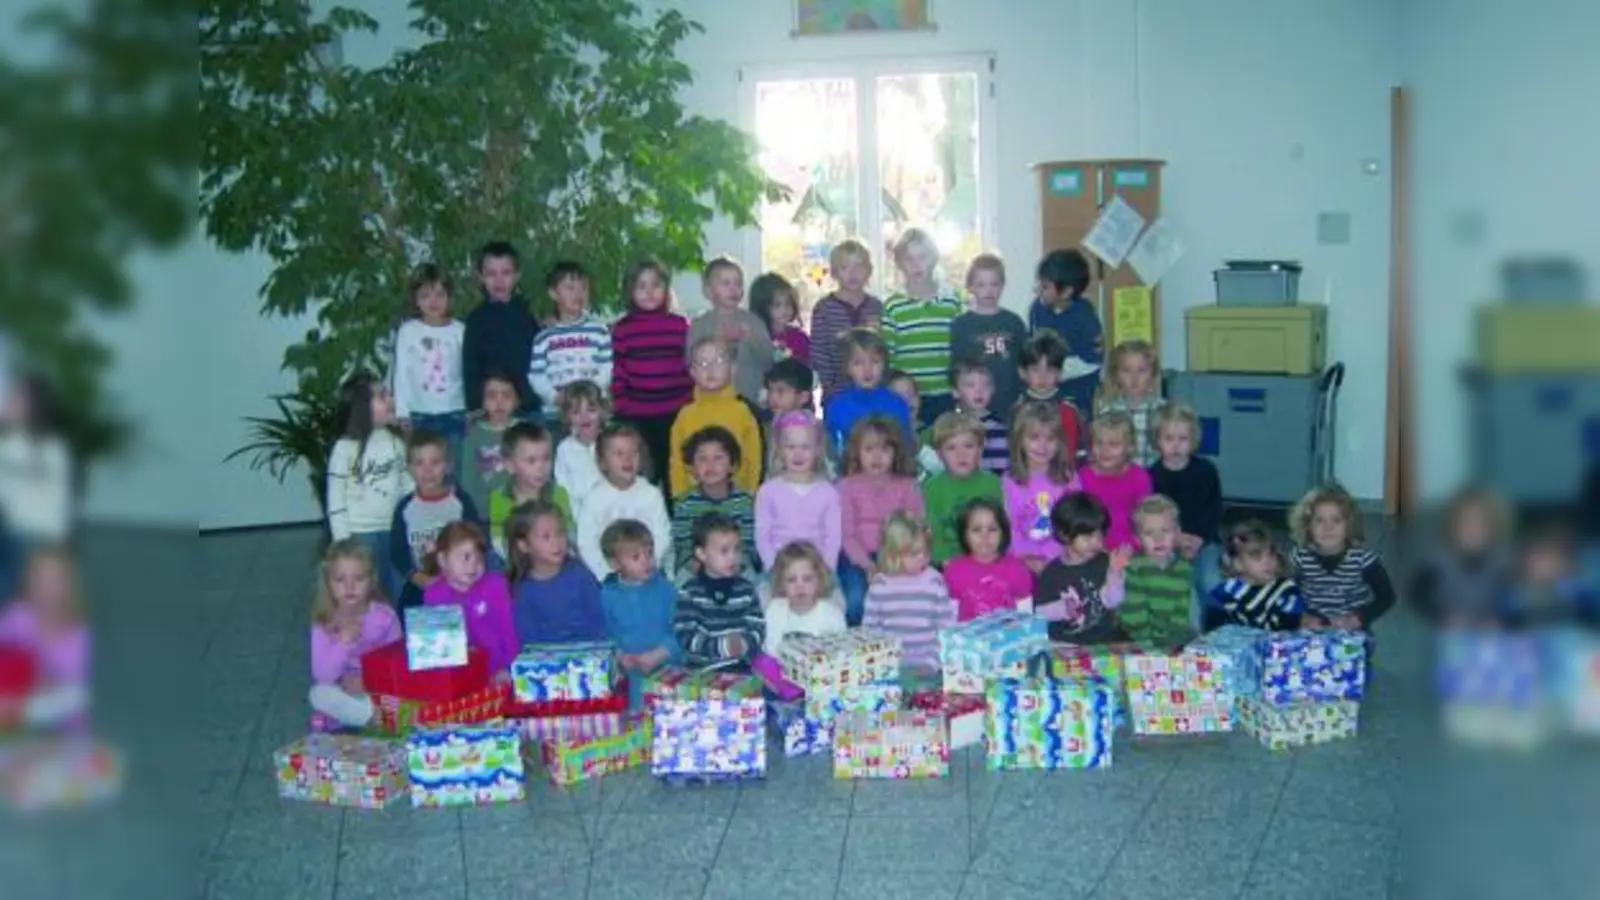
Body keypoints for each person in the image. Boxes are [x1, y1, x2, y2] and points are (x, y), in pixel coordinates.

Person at [326, 371, 410, 601]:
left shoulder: (395, 442)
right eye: (383, 397)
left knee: (397, 587)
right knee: (366, 594)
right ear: (362, 408)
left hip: (392, 529)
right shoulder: (344, 448)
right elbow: (335, 498)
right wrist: (343, 542)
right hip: (358, 534)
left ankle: (395, 632)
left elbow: (406, 483)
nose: (391, 400)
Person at [611, 258, 693, 491]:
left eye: (655, 285)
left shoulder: (679, 325)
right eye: (641, 286)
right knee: (642, 478)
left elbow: (689, 366)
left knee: (675, 476)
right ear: (630, 291)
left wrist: (689, 402)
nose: (649, 292)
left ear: (666, 289)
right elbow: (619, 371)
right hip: (638, 416)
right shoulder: (623, 328)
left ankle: (672, 524)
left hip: (676, 413)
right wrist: (622, 407)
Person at [836, 415, 924, 626]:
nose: (877, 457)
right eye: (869, 450)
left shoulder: (907, 486)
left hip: (898, 554)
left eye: (884, 450)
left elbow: (915, 528)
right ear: (856, 453)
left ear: (896, 452)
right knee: (856, 600)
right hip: (856, 557)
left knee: (907, 598)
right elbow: (846, 535)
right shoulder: (846, 486)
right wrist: (868, 566)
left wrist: (892, 561)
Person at [306, 539, 401, 729]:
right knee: (318, 693)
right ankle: (370, 718)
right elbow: (323, 675)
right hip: (341, 686)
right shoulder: (323, 622)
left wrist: (368, 680)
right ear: (328, 583)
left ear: (371, 581)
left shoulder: (384, 617)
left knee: (404, 694)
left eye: (358, 579)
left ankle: (349, 717)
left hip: (376, 686)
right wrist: (344, 642)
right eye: (340, 580)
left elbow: (397, 662)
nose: (350, 588)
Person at [0, 546, 90, 731]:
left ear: (70, 588)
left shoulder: (80, 638)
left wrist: (28, 698)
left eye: (55, 581)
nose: (46, 589)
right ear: (28, 583)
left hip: (63, 733)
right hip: (13, 728)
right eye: (39, 579)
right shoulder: (15, 618)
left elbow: (76, 696)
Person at [390, 431, 480, 613]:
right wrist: (417, 577)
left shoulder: (461, 502)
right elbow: (398, 550)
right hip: (421, 584)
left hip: (460, 583)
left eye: (435, 462)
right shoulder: (405, 507)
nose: (428, 470)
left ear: (447, 466)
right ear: (409, 468)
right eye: (419, 463)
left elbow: (476, 540)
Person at [391, 263, 467, 475]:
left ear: (449, 297)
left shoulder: (460, 331)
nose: (433, 301)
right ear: (416, 300)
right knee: (424, 474)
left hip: (454, 413)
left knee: (453, 472)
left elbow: (466, 373)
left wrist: (470, 410)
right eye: (425, 295)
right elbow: (402, 373)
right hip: (419, 415)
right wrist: (402, 413)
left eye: (439, 294)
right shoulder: (408, 331)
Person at [599, 519, 684, 709]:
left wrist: (661, 653)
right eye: (636, 557)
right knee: (638, 720)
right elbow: (607, 635)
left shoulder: (666, 589)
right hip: (633, 678)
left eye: (649, 553)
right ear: (614, 564)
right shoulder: (607, 596)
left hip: (670, 670)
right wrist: (620, 657)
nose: (646, 561)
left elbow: (682, 629)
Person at [882, 228, 962, 427]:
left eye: (922, 257)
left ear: (933, 259)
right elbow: (887, 357)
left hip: (944, 393)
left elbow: (960, 348)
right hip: (905, 397)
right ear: (900, 264)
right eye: (909, 259)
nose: (916, 265)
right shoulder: (893, 305)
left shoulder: (951, 301)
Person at [1289, 484, 1397, 629]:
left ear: (1349, 524)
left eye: (1336, 520)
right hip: (1312, 629)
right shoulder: (1300, 557)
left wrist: (1358, 618)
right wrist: (1301, 617)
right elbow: (1285, 593)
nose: (1328, 528)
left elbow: (1386, 596)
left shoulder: (1363, 559)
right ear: (1307, 526)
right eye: (1320, 520)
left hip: (1352, 631)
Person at [1147, 402, 1223, 602]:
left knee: (1211, 583)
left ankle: (1215, 627)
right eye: (1169, 439)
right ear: (1157, 441)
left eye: (1183, 439)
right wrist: (1176, 539)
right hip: (1166, 544)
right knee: (1179, 588)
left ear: (1193, 440)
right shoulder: (1151, 476)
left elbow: (1213, 510)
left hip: (1205, 542)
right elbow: (1152, 517)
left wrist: (1200, 538)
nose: (1176, 445)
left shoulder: (1206, 471)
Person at [421, 521, 517, 678]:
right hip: (458, 677)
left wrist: (508, 667)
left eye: (479, 559)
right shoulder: (434, 594)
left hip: (498, 671)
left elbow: (508, 631)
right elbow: (434, 649)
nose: (473, 565)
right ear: (443, 560)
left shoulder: (495, 586)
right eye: (465, 558)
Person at [576, 422, 672, 580]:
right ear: (602, 462)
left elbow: (662, 535)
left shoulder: (651, 494)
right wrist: (606, 573)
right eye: (619, 454)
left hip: (648, 570)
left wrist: (648, 564)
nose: (627, 459)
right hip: (608, 577)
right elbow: (586, 543)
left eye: (633, 452)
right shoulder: (594, 498)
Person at [861, 511, 954, 673]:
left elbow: (946, 627)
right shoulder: (880, 586)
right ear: (893, 554)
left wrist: (933, 661)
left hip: (929, 663)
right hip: (889, 665)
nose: (922, 557)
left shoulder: (934, 581)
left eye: (925, 552)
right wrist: (882, 662)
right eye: (914, 553)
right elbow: (870, 631)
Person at [669, 337, 762, 498]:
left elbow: (753, 458)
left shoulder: (742, 412)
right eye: (703, 364)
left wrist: (749, 493)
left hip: (736, 500)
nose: (710, 369)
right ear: (692, 372)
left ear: (733, 368)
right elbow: (677, 462)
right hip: (694, 501)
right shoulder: (685, 415)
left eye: (718, 361)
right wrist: (680, 496)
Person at [1408, 486, 1514, 626]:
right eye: (1465, 525)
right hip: (1450, 630)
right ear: (1452, 526)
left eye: (1479, 526)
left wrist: (1500, 618)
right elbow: (1418, 597)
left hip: (1490, 633)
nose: (1472, 532)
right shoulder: (1437, 561)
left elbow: (1514, 597)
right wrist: (1441, 615)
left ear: (1493, 529)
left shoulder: (1503, 561)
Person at [505, 500, 606, 644]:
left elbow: (598, 622)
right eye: (546, 537)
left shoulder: (579, 573)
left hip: (590, 654)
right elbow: (529, 641)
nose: (557, 542)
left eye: (560, 533)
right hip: (547, 661)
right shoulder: (522, 590)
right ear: (524, 545)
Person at [1034, 492, 1129, 643]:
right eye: (1087, 537)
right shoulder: (1052, 573)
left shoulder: (1103, 561)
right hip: (1067, 643)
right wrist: (1064, 608)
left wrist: (1115, 572)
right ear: (1065, 534)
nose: (1096, 543)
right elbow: (1040, 612)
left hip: (1105, 637)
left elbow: (1113, 600)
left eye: (1100, 536)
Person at [675, 513, 764, 672]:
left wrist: (745, 643)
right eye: (724, 551)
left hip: (743, 669)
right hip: (702, 671)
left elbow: (757, 626)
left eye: (736, 549)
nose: (733, 557)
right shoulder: (689, 592)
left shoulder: (746, 589)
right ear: (701, 554)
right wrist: (722, 647)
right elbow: (685, 634)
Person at [527, 260, 612, 423]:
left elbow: (607, 367)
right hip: (556, 414)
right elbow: (536, 375)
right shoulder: (544, 337)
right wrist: (554, 396)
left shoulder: (599, 330)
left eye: (583, 288)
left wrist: (591, 394)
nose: (578, 294)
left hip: (592, 412)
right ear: (553, 293)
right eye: (570, 288)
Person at [462, 240, 540, 417]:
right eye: (491, 274)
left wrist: (530, 397)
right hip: (490, 409)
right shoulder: (476, 319)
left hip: (526, 406)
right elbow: (470, 366)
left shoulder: (527, 315)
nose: (499, 280)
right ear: (480, 276)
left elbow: (538, 360)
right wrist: (475, 404)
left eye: (506, 273)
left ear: (517, 275)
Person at [755, 413, 841, 572]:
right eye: (790, 447)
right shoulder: (767, 492)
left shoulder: (828, 492)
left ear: (817, 450)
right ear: (780, 450)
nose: (798, 454)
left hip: (818, 570)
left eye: (805, 447)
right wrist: (773, 568)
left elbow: (833, 539)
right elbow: (763, 537)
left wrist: (827, 570)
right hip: (779, 569)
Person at [1003, 400, 1081, 574]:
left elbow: (1076, 524)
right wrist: (1025, 558)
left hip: (1064, 560)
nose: (1042, 446)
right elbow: (1010, 527)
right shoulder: (1009, 481)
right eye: (1034, 438)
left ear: (1060, 442)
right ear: (1020, 440)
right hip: (1022, 560)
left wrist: (1063, 557)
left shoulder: (1069, 479)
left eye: (1050, 438)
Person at [670, 427, 757, 579]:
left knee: (753, 581)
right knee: (681, 581)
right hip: (698, 564)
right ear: (692, 467)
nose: (710, 465)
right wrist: (700, 565)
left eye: (718, 458)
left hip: (735, 562)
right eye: (702, 459)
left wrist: (732, 563)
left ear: (732, 465)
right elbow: (683, 545)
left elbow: (748, 544)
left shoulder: (744, 502)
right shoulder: (685, 504)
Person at [686, 256, 773, 407]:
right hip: (710, 400)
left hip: (749, 399)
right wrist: (720, 341)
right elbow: (690, 362)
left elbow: (768, 360)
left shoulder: (754, 321)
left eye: (738, 283)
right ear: (708, 291)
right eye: (726, 284)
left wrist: (751, 338)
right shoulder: (699, 325)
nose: (733, 288)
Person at [921, 412, 1003, 565]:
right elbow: (933, 533)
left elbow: (1002, 528)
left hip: (989, 558)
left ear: (980, 449)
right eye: (951, 448)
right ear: (939, 454)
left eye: (968, 446)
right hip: (947, 562)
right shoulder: (931, 488)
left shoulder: (995, 484)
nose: (961, 454)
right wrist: (944, 560)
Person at [951, 253, 1028, 414]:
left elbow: (1026, 361)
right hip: (974, 405)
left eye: (994, 284)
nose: (989, 290)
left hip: (1010, 402)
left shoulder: (1014, 322)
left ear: (1002, 285)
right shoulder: (961, 325)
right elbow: (956, 366)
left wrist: (1023, 393)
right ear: (970, 287)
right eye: (981, 285)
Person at [487, 423, 573, 565]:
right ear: (510, 465)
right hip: (515, 561)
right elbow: (498, 539)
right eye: (531, 461)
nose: (541, 467)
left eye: (546, 459)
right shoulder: (499, 497)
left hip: (554, 557)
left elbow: (568, 532)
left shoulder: (558, 494)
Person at [1029, 248, 1101, 417]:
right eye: (1040, 283)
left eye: (1045, 287)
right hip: (1047, 389)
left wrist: (1057, 372)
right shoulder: (1037, 309)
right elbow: (1034, 347)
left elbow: (1092, 361)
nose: (1038, 289)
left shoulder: (1085, 317)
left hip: (1078, 390)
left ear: (1066, 292)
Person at [1118, 495, 1196, 649]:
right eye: (1149, 533)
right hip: (1138, 641)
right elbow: (1133, 616)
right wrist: (1150, 644)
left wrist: (1173, 641)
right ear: (1138, 539)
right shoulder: (1134, 568)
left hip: (1174, 641)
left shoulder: (1184, 568)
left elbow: (1182, 612)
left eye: (1165, 531)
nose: (1158, 539)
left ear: (1177, 533)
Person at [822, 328, 914, 459]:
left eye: (875, 362)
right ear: (847, 367)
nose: (867, 370)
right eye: (858, 363)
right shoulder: (837, 407)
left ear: (884, 364)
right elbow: (833, 453)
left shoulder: (896, 404)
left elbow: (906, 448)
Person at [810, 239, 883, 403]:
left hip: (874, 391)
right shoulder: (824, 308)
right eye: (845, 267)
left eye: (859, 266)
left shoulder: (876, 307)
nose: (853, 273)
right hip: (837, 395)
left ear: (869, 271)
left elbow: (883, 350)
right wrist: (831, 386)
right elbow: (819, 352)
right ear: (835, 273)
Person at [944, 497, 1033, 621]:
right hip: (968, 638)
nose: (984, 536)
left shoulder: (1017, 569)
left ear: (1003, 532)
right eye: (976, 530)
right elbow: (950, 615)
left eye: (992, 529)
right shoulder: (954, 570)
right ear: (964, 534)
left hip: (1009, 638)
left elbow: (1026, 614)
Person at [1208, 520, 1305, 632]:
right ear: (1237, 563)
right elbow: (1212, 633)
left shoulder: (1286, 592)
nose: (1267, 561)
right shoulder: (1223, 593)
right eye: (1256, 556)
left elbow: (1291, 635)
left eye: (1270, 554)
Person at [1077, 411, 1152, 553]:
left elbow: (1145, 520)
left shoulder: (1139, 478)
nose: (1105, 450)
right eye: (1099, 443)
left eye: (1113, 444)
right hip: (1090, 549)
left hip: (1129, 550)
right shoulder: (1082, 477)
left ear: (1130, 447)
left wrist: (1133, 545)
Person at [763, 541, 847, 658]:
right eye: (791, 580)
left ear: (819, 579)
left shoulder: (832, 615)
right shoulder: (775, 610)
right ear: (781, 583)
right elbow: (771, 651)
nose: (799, 586)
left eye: (807, 579)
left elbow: (841, 655)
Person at [458, 371, 521, 517]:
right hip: (485, 514)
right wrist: (482, 512)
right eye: (492, 396)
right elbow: (468, 483)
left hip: (521, 513)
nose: (499, 403)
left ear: (517, 400)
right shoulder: (473, 437)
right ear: (483, 402)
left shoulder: (525, 431)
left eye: (506, 395)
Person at [1016, 331, 1084, 462]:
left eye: (1050, 370)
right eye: (1035, 370)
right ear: (1022, 372)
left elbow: (1077, 452)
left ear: (1060, 373)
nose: (1043, 377)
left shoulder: (1069, 410)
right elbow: (1014, 454)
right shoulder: (1017, 411)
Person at [1095, 340, 1163, 468]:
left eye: (1142, 370)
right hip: (1120, 479)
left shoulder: (1162, 410)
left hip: (1153, 479)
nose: (1134, 378)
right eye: (1126, 371)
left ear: (1153, 374)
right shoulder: (1107, 411)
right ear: (1116, 375)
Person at [552, 379, 608, 513]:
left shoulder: (610, 442)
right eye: (576, 412)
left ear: (602, 411)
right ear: (567, 416)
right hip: (578, 513)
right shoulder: (564, 449)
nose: (585, 417)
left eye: (591, 410)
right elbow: (562, 487)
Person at [948, 356, 1008, 474]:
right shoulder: (949, 427)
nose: (979, 391)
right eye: (971, 385)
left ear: (993, 390)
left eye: (986, 385)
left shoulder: (1001, 428)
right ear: (955, 392)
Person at [886, 370, 944, 482]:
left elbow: (944, 470)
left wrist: (921, 450)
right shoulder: (883, 437)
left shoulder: (933, 432)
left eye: (911, 395)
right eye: (899, 399)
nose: (907, 401)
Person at [749, 271, 810, 364]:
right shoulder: (755, 339)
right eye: (777, 305)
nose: (784, 310)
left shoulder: (800, 338)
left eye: (788, 304)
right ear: (762, 307)